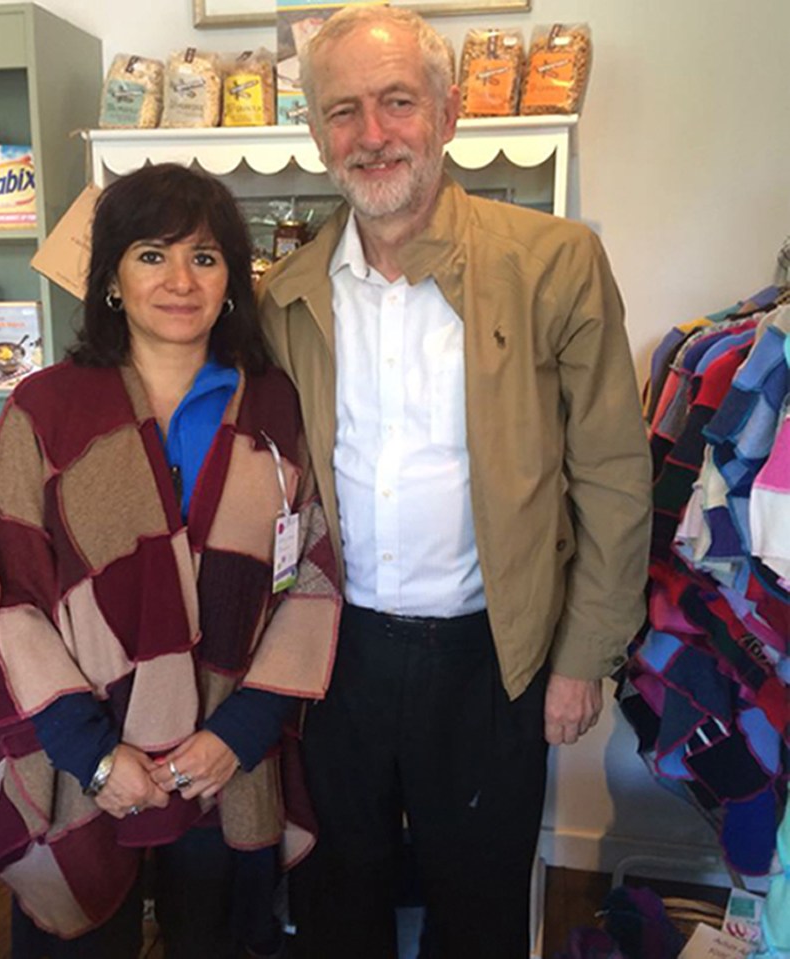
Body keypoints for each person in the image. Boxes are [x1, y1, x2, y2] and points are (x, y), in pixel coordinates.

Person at [258, 7, 652, 959]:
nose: (372, 133)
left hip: (491, 659)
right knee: (334, 895)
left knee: (476, 906)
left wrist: (582, 657)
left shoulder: (554, 263)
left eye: (397, 102)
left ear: (445, 116)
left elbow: (610, 472)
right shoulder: (288, 294)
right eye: (342, 110)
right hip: (333, 660)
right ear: (316, 134)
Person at [0, 163, 339, 959]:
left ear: (231, 280)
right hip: (83, 758)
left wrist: (239, 733)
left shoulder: (276, 405)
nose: (180, 280)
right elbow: (6, 599)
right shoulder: (46, 408)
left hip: (224, 758)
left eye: (205, 257)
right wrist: (95, 753)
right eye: (152, 254)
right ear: (112, 274)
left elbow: (309, 577)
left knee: (215, 939)